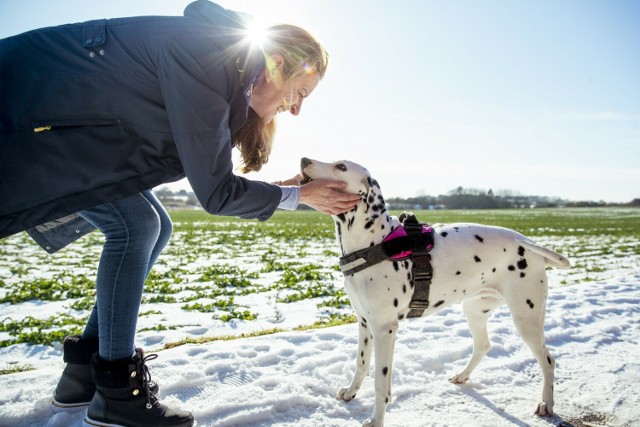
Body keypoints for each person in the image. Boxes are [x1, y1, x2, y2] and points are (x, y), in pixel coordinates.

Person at [0, 1, 360, 426]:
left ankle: (84, 374)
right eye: (299, 93)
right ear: (276, 63)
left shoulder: (221, 69)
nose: (296, 109)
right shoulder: (207, 58)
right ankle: (115, 391)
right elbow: (216, 193)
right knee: (138, 226)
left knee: (155, 225)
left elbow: (208, 176)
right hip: (25, 117)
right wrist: (300, 196)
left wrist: (288, 193)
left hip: (55, 131)